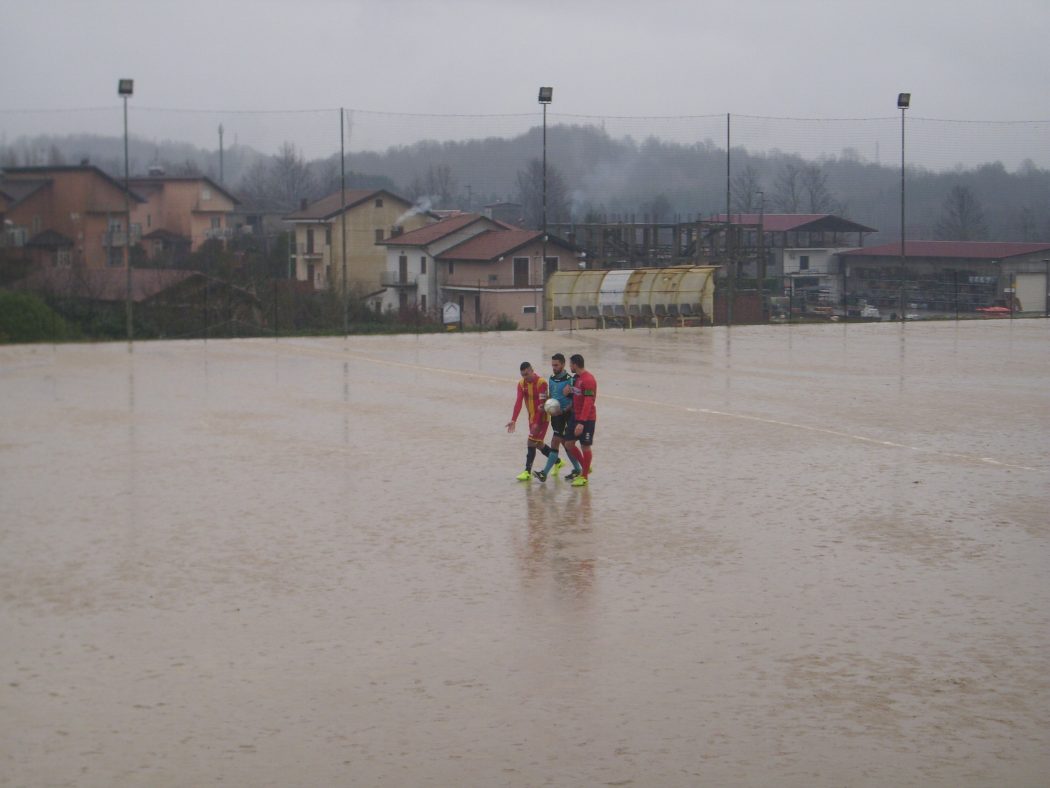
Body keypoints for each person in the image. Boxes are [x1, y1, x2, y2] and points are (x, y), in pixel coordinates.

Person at [533, 353, 582, 482]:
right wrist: (544, 406)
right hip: (555, 416)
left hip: (566, 415)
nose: (554, 368)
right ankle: (578, 469)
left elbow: (575, 401)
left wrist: (564, 409)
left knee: (556, 442)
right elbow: (551, 396)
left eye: (556, 365)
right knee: (564, 444)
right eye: (552, 365)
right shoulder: (551, 378)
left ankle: (544, 473)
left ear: (563, 364)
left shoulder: (570, 380)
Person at [505, 361, 550, 481]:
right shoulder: (521, 384)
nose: (525, 377)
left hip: (542, 418)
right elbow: (518, 402)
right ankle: (557, 461)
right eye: (523, 375)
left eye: (527, 374)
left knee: (531, 442)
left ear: (532, 370)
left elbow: (542, 406)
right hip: (531, 418)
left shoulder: (542, 383)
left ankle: (527, 472)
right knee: (539, 444)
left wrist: (536, 422)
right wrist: (513, 420)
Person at [561, 353, 596, 487]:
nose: (569, 366)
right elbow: (575, 394)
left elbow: (588, 402)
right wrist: (568, 390)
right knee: (568, 444)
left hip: (587, 418)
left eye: (570, 364)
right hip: (575, 416)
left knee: (585, 446)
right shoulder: (577, 378)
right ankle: (585, 467)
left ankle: (584, 476)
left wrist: (581, 422)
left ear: (575, 364)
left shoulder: (588, 380)